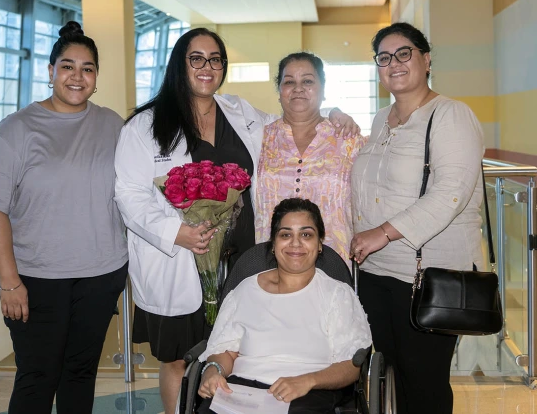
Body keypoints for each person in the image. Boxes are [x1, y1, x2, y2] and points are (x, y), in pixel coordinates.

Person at [114, 28, 356, 414]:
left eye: (215, 59)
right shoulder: (144, 127)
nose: (207, 68)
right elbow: (128, 194)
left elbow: (292, 118)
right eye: (197, 59)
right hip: (179, 261)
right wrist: (178, 233)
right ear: (179, 63)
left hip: (243, 265)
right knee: (179, 357)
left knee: (235, 353)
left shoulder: (239, 113)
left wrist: (334, 114)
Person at [0, 22, 128, 414]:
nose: (77, 76)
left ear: (96, 77)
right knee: (37, 377)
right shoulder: (16, 130)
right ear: (50, 71)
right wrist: (9, 282)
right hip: (36, 280)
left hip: (100, 275)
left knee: (80, 374)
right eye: (67, 66)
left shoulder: (112, 125)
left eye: (87, 68)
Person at [349, 22, 484, 414]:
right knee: (391, 372)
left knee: (423, 378)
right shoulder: (379, 119)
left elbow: (451, 193)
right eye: (384, 57)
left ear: (426, 59)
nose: (394, 63)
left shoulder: (450, 114)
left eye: (404, 53)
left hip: (427, 274)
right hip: (376, 272)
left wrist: (385, 233)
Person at [197, 198, 372, 413]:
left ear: (319, 244)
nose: (295, 243)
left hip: (308, 392)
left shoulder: (337, 294)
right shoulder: (244, 291)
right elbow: (224, 350)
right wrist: (213, 371)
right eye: (285, 234)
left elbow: (351, 366)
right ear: (273, 244)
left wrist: (307, 381)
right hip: (242, 391)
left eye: (306, 234)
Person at [255, 52, 366, 262]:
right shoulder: (259, 139)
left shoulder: (349, 140)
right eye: (289, 82)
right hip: (269, 264)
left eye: (307, 81)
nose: (298, 88)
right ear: (279, 91)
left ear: (323, 90)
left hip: (333, 264)